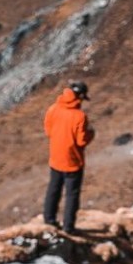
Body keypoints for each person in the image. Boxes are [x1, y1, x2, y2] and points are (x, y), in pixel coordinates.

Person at [43, 81, 94, 234]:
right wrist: (91, 133)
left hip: (56, 158)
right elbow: (81, 141)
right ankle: (68, 226)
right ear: (79, 97)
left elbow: (48, 131)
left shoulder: (53, 109)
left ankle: (49, 220)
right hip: (73, 161)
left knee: (53, 189)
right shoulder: (79, 116)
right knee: (72, 194)